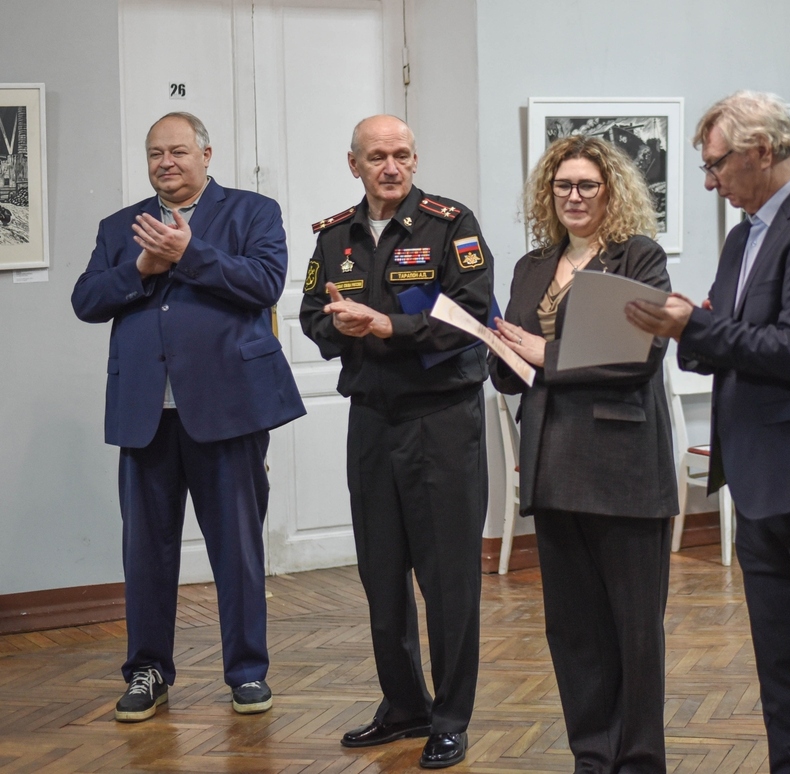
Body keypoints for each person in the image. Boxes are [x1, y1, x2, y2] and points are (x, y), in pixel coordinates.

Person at [628, 91, 790, 773]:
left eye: (716, 164)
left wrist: (696, 325)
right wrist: (693, 330)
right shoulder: (744, 234)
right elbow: (733, 336)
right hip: (759, 480)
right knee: (782, 668)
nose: (709, 182)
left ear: (763, 151)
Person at [71, 111, 305, 722]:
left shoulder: (252, 212)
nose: (166, 163)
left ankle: (247, 672)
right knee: (146, 554)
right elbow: (86, 300)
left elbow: (265, 283)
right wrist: (140, 269)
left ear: (206, 154)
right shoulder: (120, 226)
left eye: (177, 151)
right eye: (155, 153)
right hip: (145, 414)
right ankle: (147, 672)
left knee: (238, 550)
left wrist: (189, 254)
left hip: (228, 410)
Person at [298, 115, 492, 770]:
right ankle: (404, 706)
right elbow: (311, 314)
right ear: (353, 163)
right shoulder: (335, 236)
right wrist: (342, 326)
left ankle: (451, 719)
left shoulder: (451, 225)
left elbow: (471, 314)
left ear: (414, 160)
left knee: (447, 579)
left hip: (442, 420)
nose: (391, 166)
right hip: (372, 420)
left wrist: (386, 326)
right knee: (381, 573)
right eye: (378, 155)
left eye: (402, 154)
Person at [490, 135, 676, 774]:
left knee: (634, 632)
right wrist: (499, 349)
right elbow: (512, 370)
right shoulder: (532, 266)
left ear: (610, 192)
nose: (573, 196)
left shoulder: (638, 258)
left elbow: (638, 355)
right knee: (573, 632)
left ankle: (640, 760)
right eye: (562, 185)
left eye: (586, 186)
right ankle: (592, 757)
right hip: (552, 463)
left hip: (623, 468)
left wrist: (544, 355)